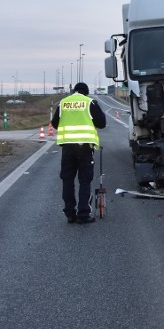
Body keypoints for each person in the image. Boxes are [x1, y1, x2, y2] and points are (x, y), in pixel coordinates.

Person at [51, 82, 107, 224]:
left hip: (67, 148)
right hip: (85, 147)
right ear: (86, 92)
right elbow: (102, 123)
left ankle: (70, 213)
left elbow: (55, 123)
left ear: (74, 91)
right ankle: (83, 214)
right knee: (84, 180)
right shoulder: (89, 102)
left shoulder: (63, 103)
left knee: (67, 180)